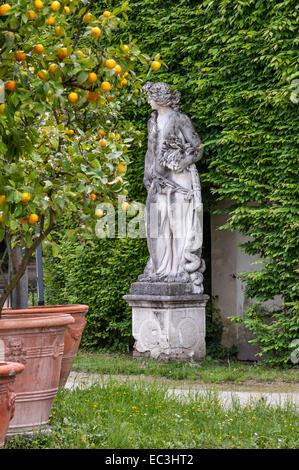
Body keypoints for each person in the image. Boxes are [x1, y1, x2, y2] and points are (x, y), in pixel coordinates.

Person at [139, 82, 205, 293]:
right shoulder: (152, 121)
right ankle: (160, 269)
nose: (148, 100)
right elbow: (150, 151)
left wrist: (180, 161)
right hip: (157, 182)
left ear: (159, 98)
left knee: (178, 227)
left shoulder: (179, 119)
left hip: (178, 182)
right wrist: (147, 172)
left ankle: (178, 271)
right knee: (156, 226)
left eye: (150, 96)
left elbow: (197, 148)